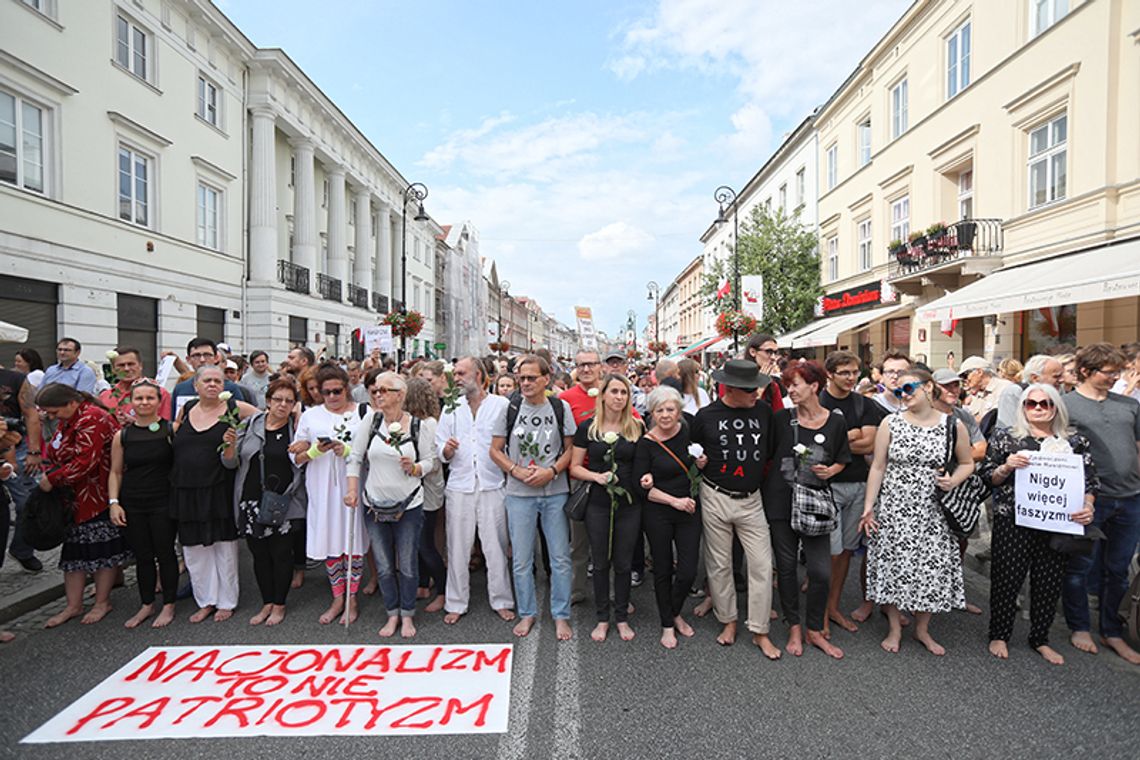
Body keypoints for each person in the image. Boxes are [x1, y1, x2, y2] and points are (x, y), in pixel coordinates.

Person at [981, 384, 1097, 665]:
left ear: (1056, 407)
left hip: (1057, 523)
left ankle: (1040, 638)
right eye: (1031, 404)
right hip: (1014, 521)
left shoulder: (1076, 442)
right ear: (1022, 408)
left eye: (1045, 404)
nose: (1038, 409)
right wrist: (1006, 467)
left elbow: (1090, 481)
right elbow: (987, 475)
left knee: (1049, 581)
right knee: (1006, 579)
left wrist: (1088, 506)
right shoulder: (1006, 438)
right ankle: (999, 634)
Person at [859, 367, 972, 655]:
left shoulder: (952, 425)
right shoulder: (890, 423)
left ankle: (922, 629)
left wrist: (954, 479)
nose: (903, 395)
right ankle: (895, 628)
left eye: (909, 388)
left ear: (929, 387)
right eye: (899, 391)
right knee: (895, 566)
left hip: (933, 508)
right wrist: (869, 507)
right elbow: (878, 465)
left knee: (930, 568)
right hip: (895, 507)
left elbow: (967, 462)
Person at [689, 359, 781, 658]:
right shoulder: (705, 416)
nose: (756, 394)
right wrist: (698, 462)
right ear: (730, 388)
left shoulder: (765, 412)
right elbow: (693, 451)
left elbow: (768, 452)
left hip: (751, 499)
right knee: (719, 565)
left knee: (761, 566)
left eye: (756, 389)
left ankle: (760, 630)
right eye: (749, 390)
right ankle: (727, 621)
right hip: (715, 495)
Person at [1062, 343, 1140, 664]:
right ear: (1085, 371)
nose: (1116, 377)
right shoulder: (1066, 405)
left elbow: (1137, 445)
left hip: (1131, 497)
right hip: (1089, 499)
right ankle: (1079, 626)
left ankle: (1112, 631)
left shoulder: (1128, 406)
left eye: (1117, 372)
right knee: (1079, 567)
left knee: (1118, 571)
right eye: (1109, 372)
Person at [766, 361, 850, 659]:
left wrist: (832, 470)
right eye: (788, 384)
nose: (790, 390)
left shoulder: (835, 421)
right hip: (780, 501)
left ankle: (815, 629)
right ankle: (794, 627)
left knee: (820, 571)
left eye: (796, 384)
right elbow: (767, 456)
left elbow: (843, 457)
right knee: (786, 569)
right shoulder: (781, 419)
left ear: (814, 386)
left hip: (816, 505)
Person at [490, 354, 576, 640]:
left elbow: (569, 450)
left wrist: (551, 472)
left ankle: (561, 615)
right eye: (521, 378)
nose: (525, 383)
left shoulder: (560, 407)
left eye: (531, 378)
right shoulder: (510, 407)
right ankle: (527, 613)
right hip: (519, 494)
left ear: (546, 379)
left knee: (560, 557)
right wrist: (514, 470)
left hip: (554, 493)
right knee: (522, 560)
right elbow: (494, 450)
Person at [347, 371, 437, 638]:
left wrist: (416, 467)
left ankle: (407, 614)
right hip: (374, 504)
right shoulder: (370, 421)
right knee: (385, 564)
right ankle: (392, 613)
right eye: (375, 391)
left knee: (408, 564)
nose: (377, 395)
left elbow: (431, 461)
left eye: (384, 391)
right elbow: (354, 457)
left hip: (409, 504)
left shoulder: (419, 426)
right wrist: (352, 490)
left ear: (400, 395)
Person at [35, 384, 130, 627]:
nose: (52, 417)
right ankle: (73, 605)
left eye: (54, 412)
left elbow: (86, 461)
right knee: (74, 553)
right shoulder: (70, 418)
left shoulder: (93, 418)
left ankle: (102, 602)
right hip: (73, 497)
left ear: (71, 403)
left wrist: (53, 478)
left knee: (102, 551)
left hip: (96, 494)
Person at [171, 366, 258, 622]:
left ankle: (226, 600)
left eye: (218, 381)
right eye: (207, 380)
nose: (212, 385)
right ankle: (205, 599)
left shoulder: (235, 408)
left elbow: (267, 418)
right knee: (194, 549)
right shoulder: (186, 410)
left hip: (219, 486)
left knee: (224, 546)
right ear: (195, 385)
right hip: (186, 487)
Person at [222, 378, 307, 627]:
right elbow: (229, 463)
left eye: (288, 401)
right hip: (251, 500)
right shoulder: (250, 425)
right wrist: (228, 446)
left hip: (285, 502)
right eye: (277, 399)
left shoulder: (297, 429)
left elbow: (302, 464)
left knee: (281, 554)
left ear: (294, 405)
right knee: (259, 555)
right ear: (267, 401)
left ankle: (279, 604)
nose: (282, 405)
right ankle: (266, 602)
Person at [436, 356, 515, 625]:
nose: (456, 378)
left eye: (461, 373)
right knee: (458, 547)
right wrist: (445, 450)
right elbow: (440, 446)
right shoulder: (450, 407)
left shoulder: (501, 405)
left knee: (496, 546)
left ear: (479, 376)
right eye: (454, 373)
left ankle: (502, 600)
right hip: (459, 485)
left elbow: (510, 442)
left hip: (492, 484)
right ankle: (456, 602)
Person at [569, 373, 644, 642]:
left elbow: (644, 464)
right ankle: (602, 618)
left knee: (623, 562)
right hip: (598, 503)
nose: (619, 397)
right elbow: (575, 467)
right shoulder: (588, 427)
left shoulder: (637, 427)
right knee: (600, 562)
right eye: (614, 392)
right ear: (602, 395)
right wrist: (596, 477)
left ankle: (621, 617)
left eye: (624, 393)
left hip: (629, 504)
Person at [295, 364, 371, 626]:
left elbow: (374, 450)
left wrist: (347, 450)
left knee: (353, 541)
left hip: (353, 483)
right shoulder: (310, 415)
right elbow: (296, 456)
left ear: (346, 388)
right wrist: (316, 450)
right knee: (330, 542)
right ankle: (337, 596)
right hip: (321, 485)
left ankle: (352, 597)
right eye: (325, 392)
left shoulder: (364, 413)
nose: (331, 397)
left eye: (336, 391)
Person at [818, 350, 883, 633]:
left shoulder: (863, 404)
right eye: (844, 372)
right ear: (830, 374)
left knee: (845, 551)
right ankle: (818, 613)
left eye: (855, 372)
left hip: (859, 484)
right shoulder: (818, 400)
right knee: (827, 552)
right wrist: (852, 435)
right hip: (827, 486)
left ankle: (832, 607)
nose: (851, 378)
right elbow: (817, 446)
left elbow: (870, 444)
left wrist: (839, 439)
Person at [107, 378, 178, 629]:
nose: (144, 402)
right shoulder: (122, 435)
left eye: (150, 398)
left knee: (165, 552)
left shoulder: (171, 430)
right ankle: (146, 603)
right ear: (131, 402)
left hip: (164, 500)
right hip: (133, 501)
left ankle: (169, 604)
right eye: (139, 398)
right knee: (143, 555)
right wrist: (114, 503)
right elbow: (115, 472)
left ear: (159, 402)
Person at [635, 386, 702, 648]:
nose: (665, 415)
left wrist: (702, 462)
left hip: (689, 511)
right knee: (662, 568)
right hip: (660, 511)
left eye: (670, 409)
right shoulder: (646, 443)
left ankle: (675, 611)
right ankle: (667, 624)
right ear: (652, 413)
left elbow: (696, 463)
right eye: (659, 410)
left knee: (687, 570)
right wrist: (674, 500)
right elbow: (643, 488)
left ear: (679, 411)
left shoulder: (687, 431)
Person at [558, 349, 606, 604]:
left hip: (610, 475)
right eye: (581, 365)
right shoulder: (565, 399)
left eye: (590, 364)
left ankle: (611, 594)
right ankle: (576, 590)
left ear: (600, 367)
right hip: (579, 475)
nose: (586, 369)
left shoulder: (612, 392)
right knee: (578, 540)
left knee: (610, 540)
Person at [404, 377, 447, 613]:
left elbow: (433, 460)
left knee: (424, 542)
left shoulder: (428, 424)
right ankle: (422, 583)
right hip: (415, 488)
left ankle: (442, 589)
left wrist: (415, 467)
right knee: (418, 542)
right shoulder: (413, 421)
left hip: (427, 489)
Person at [1, 362, 43, 573]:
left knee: (27, 501)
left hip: (15, 446)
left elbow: (31, 414)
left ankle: (22, 549)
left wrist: (34, 451)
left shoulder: (15, 379)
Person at [171, 338, 250, 417]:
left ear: (216, 358)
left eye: (207, 355)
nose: (202, 360)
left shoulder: (231, 387)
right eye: (196, 355)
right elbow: (174, 421)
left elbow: (243, 418)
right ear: (188, 360)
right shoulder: (180, 389)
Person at [99, 347, 173, 426]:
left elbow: (164, 429)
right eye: (121, 365)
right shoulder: (105, 397)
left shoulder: (160, 394)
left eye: (131, 364)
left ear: (140, 365)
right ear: (113, 369)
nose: (126, 369)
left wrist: (136, 424)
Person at [995, 355, 1063, 430]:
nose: (1061, 380)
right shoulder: (1014, 392)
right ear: (1035, 378)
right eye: (1056, 376)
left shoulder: (1060, 392)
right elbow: (1009, 428)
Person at [960, 356, 1012, 423]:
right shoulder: (976, 394)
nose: (964, 380)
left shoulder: (1005, 388)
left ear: (979, 372)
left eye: (965, 375)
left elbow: (991, 421)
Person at [743, 333, 785, 412]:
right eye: (768, 351)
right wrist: (760, 388)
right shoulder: (734, 381)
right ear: (753, 352)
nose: (773, 357)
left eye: (775, 353)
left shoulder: (772, 385)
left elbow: (779, 415)